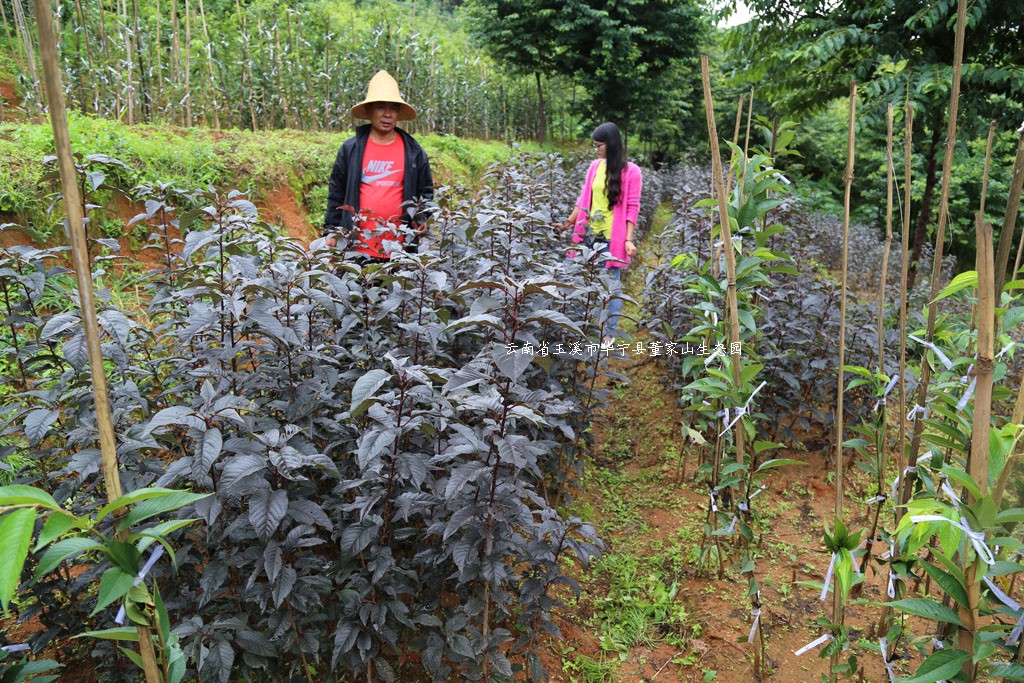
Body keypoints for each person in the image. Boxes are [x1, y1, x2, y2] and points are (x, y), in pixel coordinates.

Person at [322, 70, 434, 260]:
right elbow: (337, 192)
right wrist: (331, 231)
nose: (387, 114)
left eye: (393, 108)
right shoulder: (351, 149)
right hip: (357, 248)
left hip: (399, 249)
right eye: (381, 107)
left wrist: (421, 218)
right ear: (369, 110)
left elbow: (425, 191)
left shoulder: (413, 151)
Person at [563, 122, 642, 351]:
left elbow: (632, 208)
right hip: (588, 234)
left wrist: (628, 239)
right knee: (578, 279)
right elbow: (583, 199)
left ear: (611, 144)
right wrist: (569, 221)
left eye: (599, 145)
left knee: (612, 286)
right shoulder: (594, 167)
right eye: (594, 145)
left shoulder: (632, 171)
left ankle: (608, 335)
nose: (596, 149)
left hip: (612, 238)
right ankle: (581, 328)